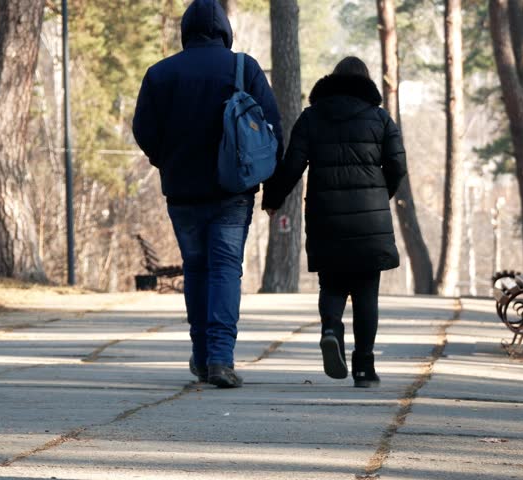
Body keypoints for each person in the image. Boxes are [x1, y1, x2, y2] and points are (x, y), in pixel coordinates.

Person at [132, 0, 283, 388]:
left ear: (185, 31)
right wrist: (266, 176)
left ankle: (201, 356)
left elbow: (143, 130)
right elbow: (271, 127)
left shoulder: (160, 73)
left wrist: (164, 159)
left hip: (182, 190)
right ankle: (220, 358)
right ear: (224, 31)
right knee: (225, 269)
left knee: (196, 268)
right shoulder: (242, 67)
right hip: (232, 189)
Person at [262, 57, 407, 388]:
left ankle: (330, 331)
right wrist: (380, 195)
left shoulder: (313, 117)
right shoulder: (381, 118)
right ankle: (364, 369)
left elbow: (292, 165)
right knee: (366, 293)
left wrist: (272, 199)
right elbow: (398, 165)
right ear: (366, 82)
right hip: (370, 221)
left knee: (332, 285)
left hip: (326, 216)